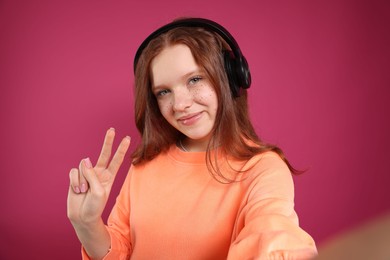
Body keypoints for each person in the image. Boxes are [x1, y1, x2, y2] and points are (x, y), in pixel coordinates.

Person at [67, 17, 318, 259]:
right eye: (164, 92)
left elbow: (270, 237)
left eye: (195, 79)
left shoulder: (263, 168)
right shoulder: (144, 166)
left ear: (231, 78)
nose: (180, 104)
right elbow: (120, 251)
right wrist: (87, 224)